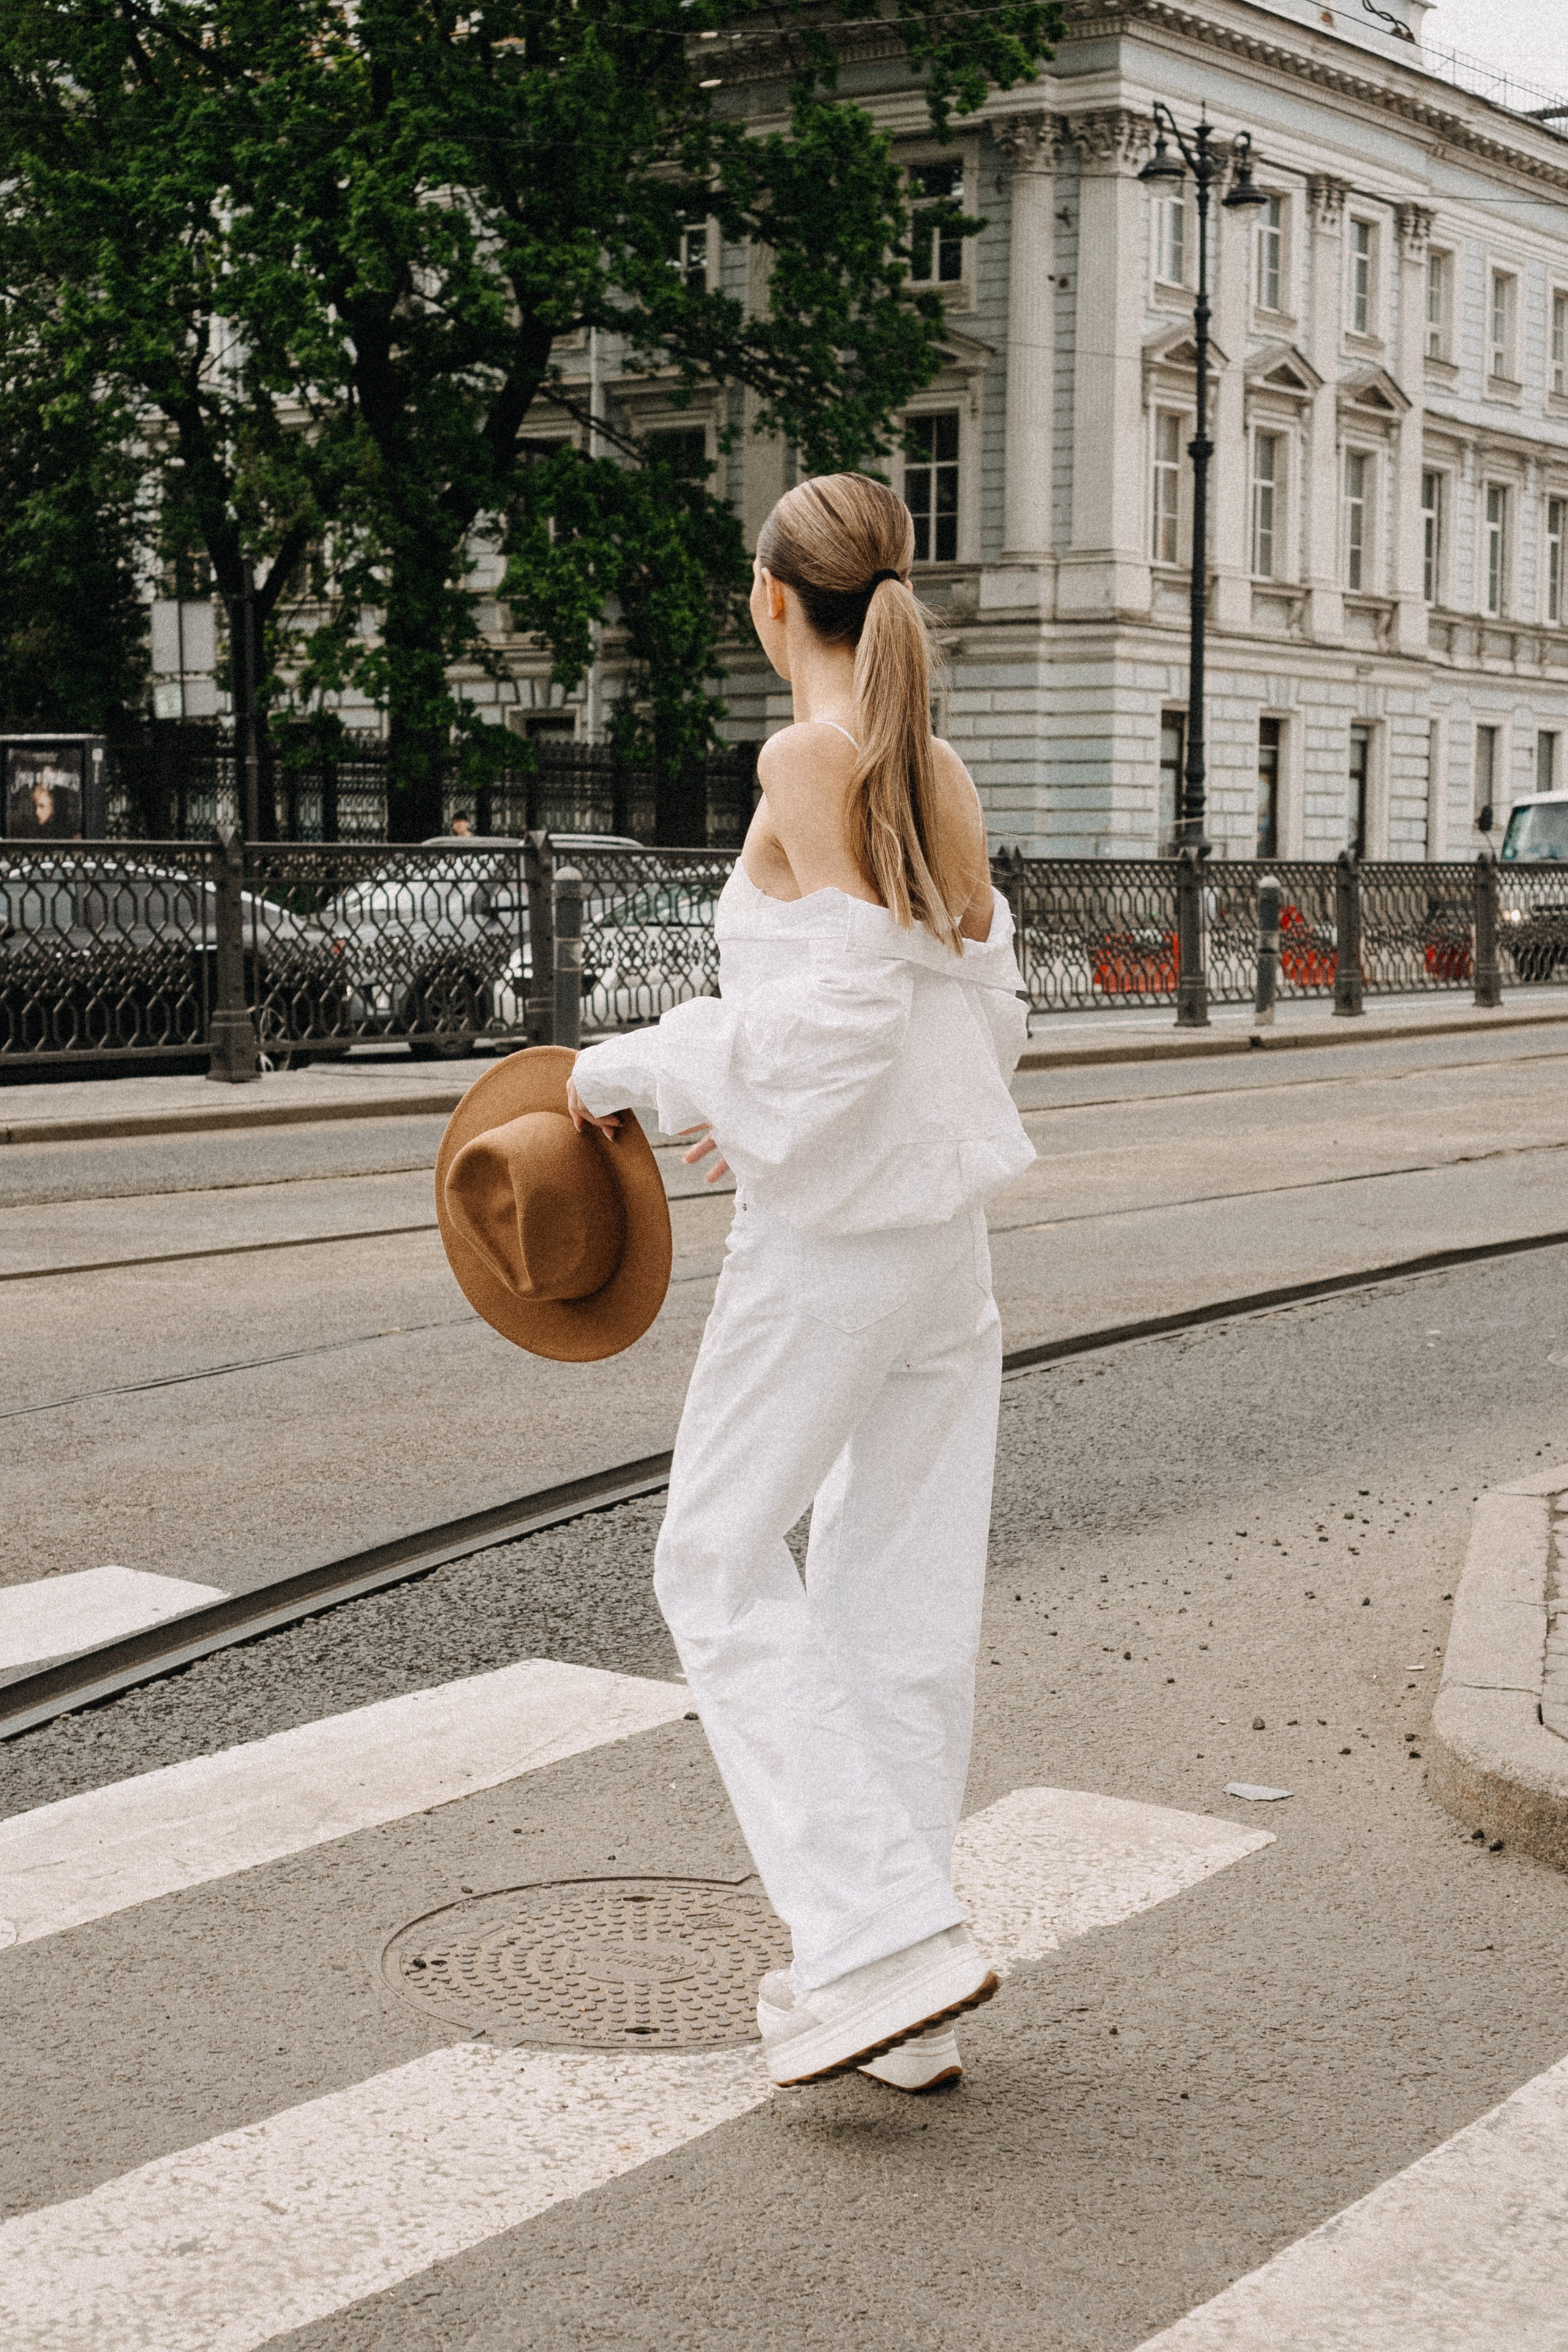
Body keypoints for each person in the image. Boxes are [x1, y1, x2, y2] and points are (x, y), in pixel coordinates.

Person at [567, 473, 1035, 2090]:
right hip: (942, 1243)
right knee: (892, 1598)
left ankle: (878, 1941)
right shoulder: (939, 769)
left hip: (838, 1243)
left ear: (774, 603)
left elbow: (831, 1034)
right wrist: (748, 1104)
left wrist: (645, 1072)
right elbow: (964, 1017)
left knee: (711, 1564)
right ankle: (902, 1984)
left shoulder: (804, 755)